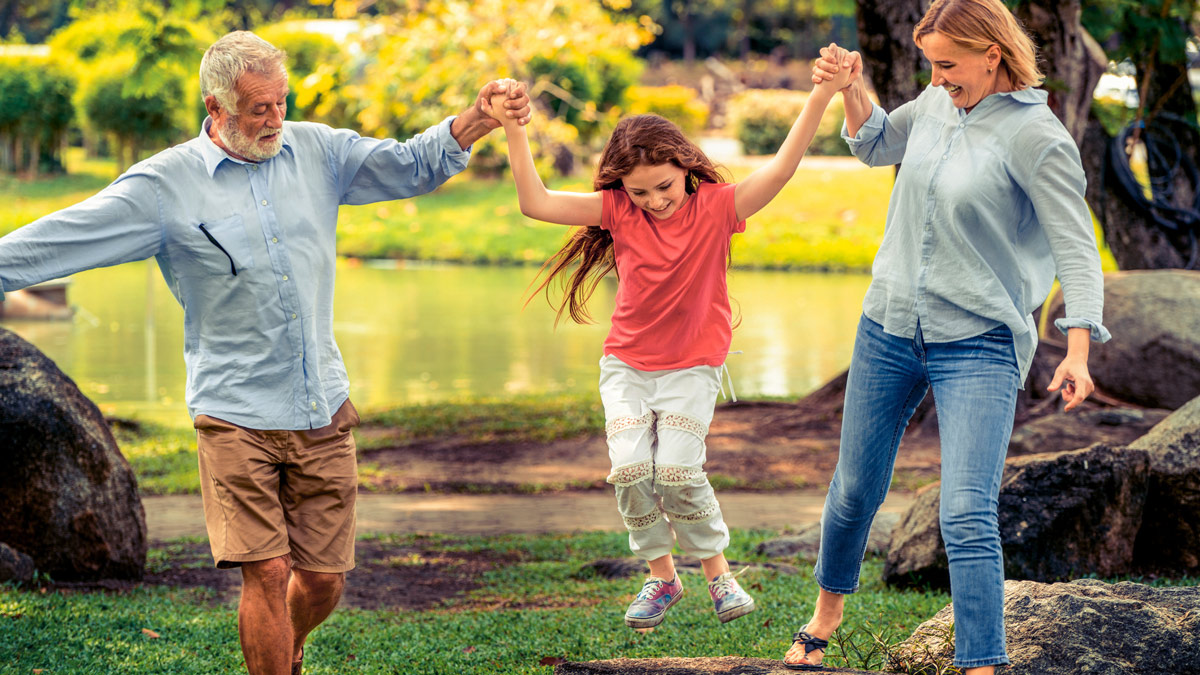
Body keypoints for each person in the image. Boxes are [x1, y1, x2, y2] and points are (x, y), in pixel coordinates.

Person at [0, 31, 530, 675]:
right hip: (233, 411)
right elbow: (58, 240)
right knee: (267, 569)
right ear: (216, 107)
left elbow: (411, 163)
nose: (275, 118)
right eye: (259, 108)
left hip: (321, 406)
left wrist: (476, 118)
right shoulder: (164, 187)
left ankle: (292, 641)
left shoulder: (318, 150)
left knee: (324, 579)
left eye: (281, 102)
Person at [784, 2, 1111, 672]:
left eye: (947, 64)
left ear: (992, 53)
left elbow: (1077, 249)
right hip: (889, 325)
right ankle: (823, 619)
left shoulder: (1037, 137)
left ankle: (980, 664)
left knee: (964, 512)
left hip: (981, 341)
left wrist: (1077, 348)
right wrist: (850, 87)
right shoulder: (936, 104)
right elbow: (876, 143)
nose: (935, 78)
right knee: (853, 490)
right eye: (931, 64)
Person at [481, 63, 852, 632]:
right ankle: (661, 577)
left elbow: (780, 170)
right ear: (620, 189)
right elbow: (536, 202)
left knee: (677, 471)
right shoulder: (618, 210)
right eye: (639, 192)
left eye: (664, 187)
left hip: (692, 368)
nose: (654, 201)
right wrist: (513, 127)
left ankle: (717, 573)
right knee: (630, 471)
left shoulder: (719, 207)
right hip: (626, 364)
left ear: (686, 168)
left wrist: (823, 94)